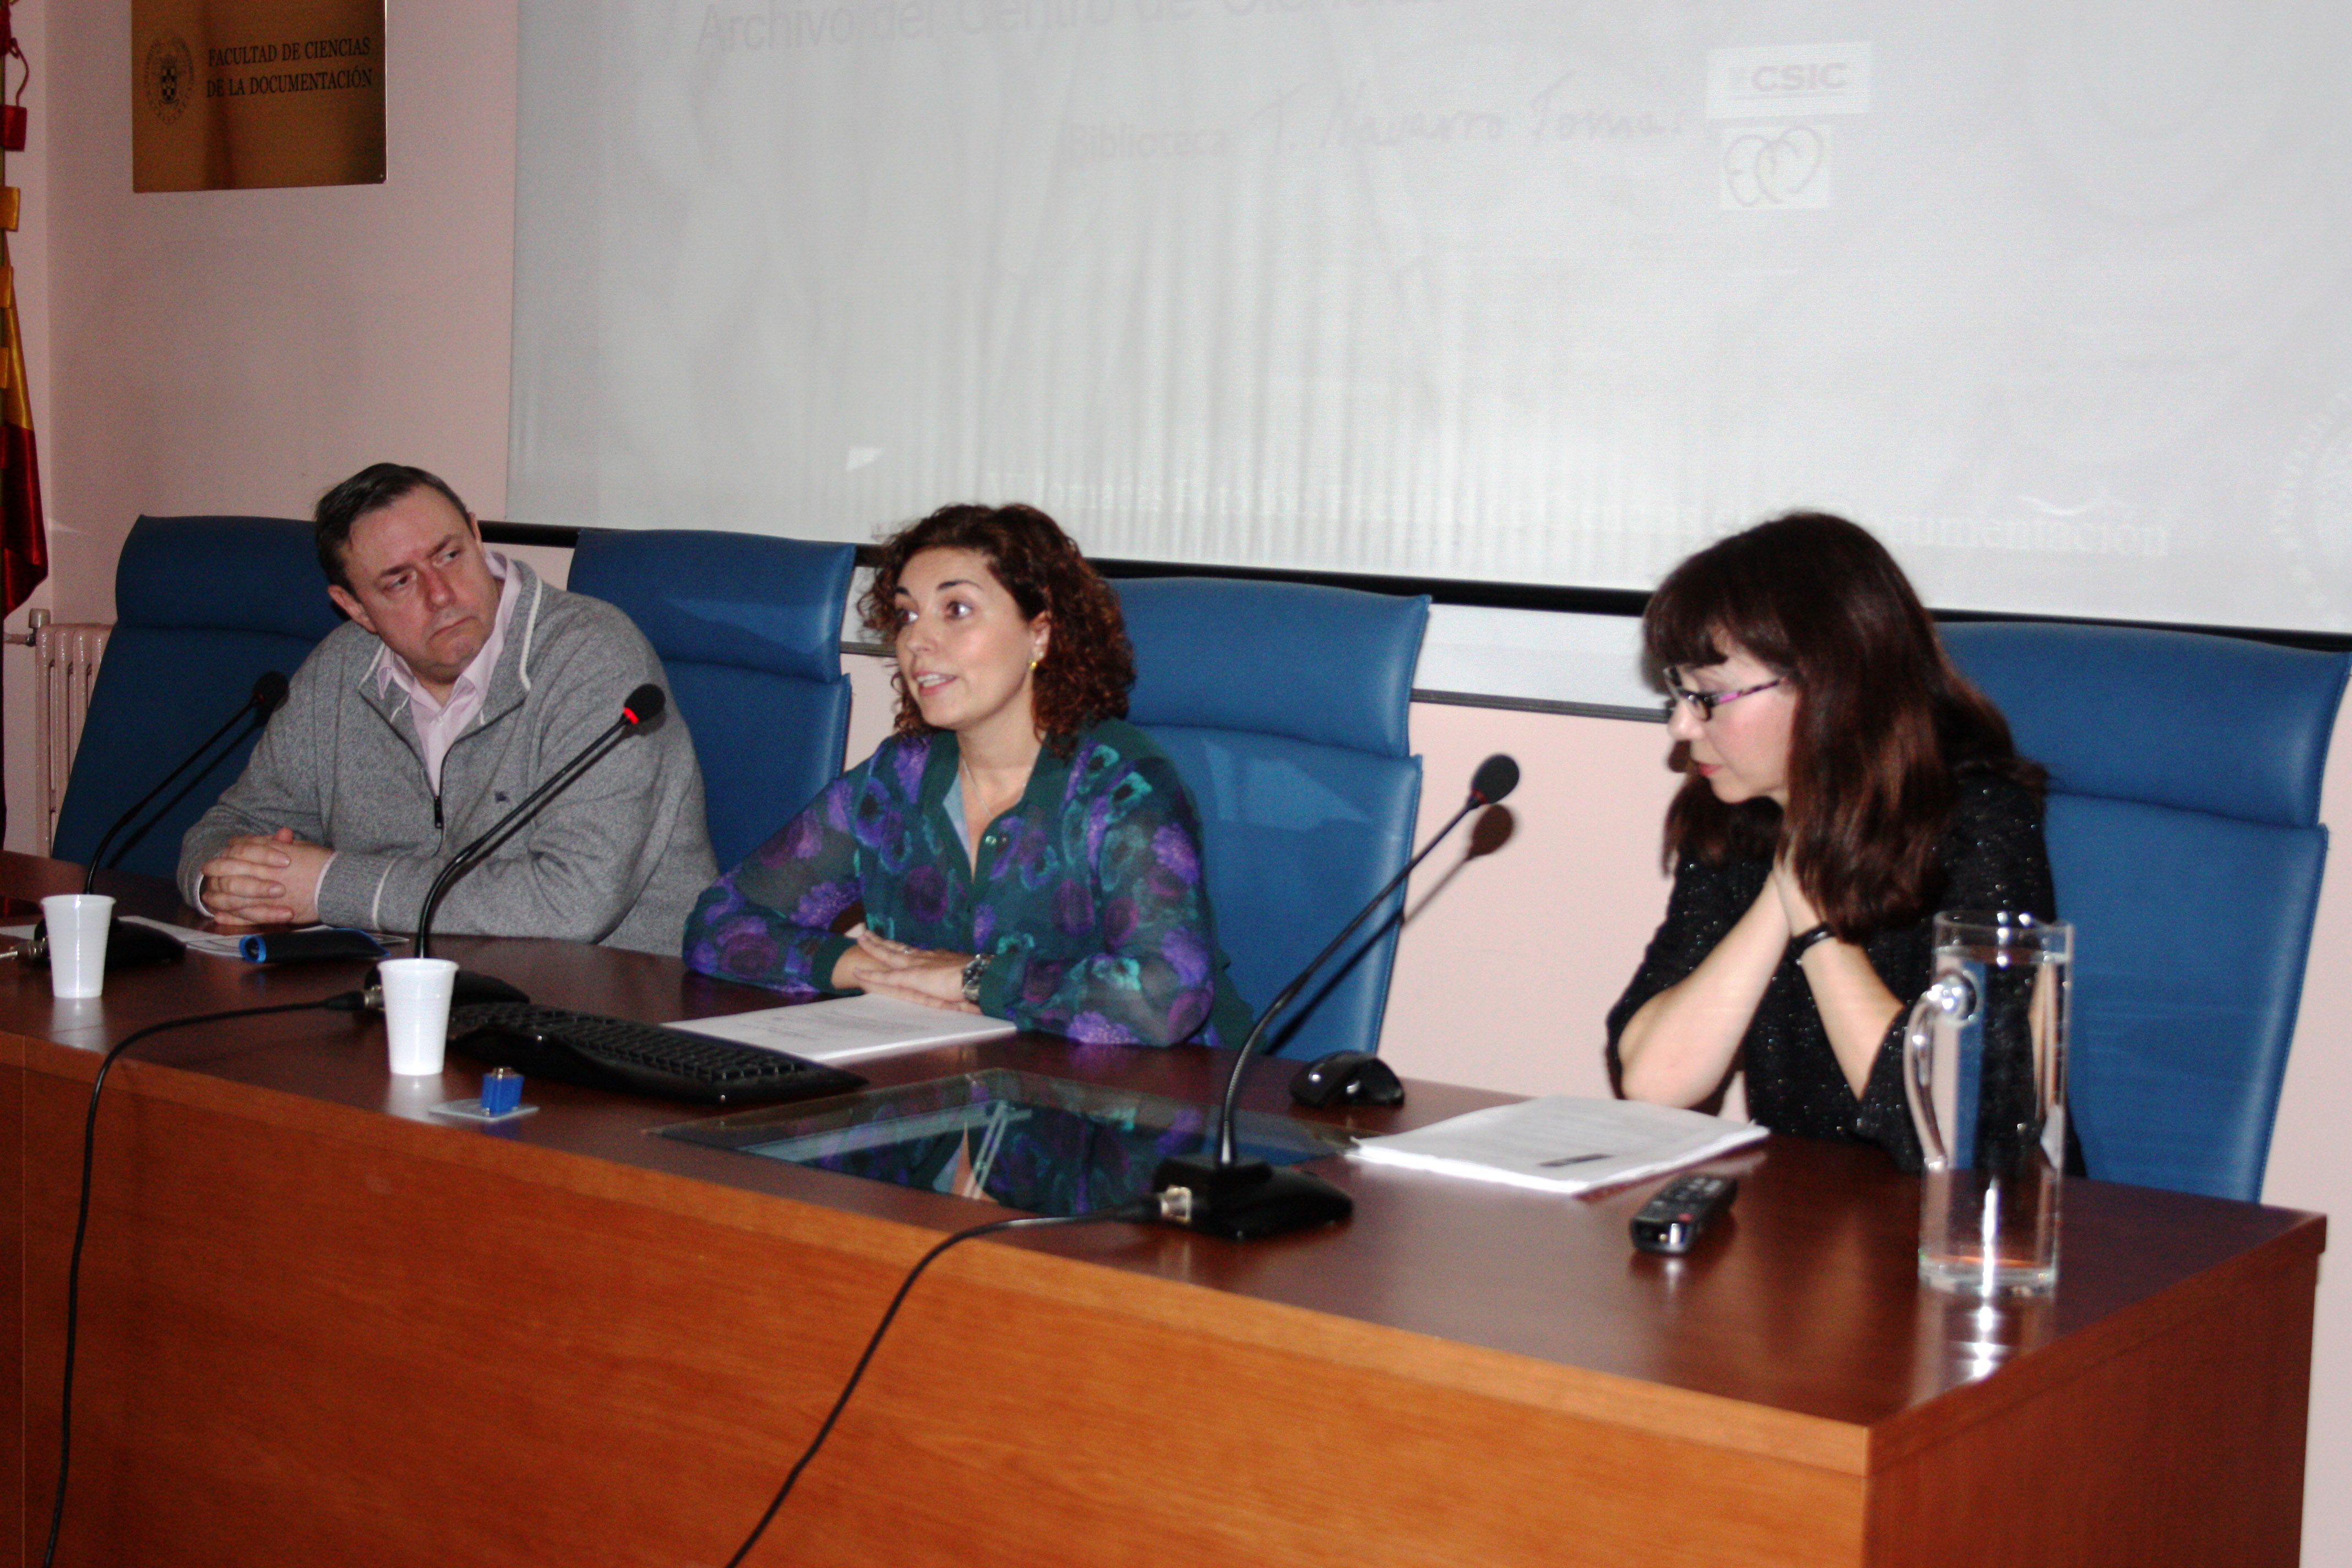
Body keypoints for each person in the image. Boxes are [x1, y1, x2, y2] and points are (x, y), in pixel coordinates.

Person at [684, 502, 1253, 1048]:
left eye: (956, 610)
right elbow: (717, 921)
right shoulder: (895, 779)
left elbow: (1165, 997)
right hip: (961, 1081)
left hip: (1150, 1098)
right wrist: (858, 967)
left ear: (1040, 633)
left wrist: (973, 979)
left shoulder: (1124, 785)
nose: (917, 640)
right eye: (907, 615)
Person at [1605, 513, 2055, 1170]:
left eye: (1710, 696)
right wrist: (1787, 875)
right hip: (1807, 1208)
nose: (1681, 725)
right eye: (1680, 692)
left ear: (1827, 687)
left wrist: (1816, 923)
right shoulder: (1737, 815)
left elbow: (1956, 1125)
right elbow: (1655, 1080)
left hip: (1963, 1218)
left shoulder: (1979, 822)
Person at [177, 462, 717, 954]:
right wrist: (228, 885)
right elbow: (231, 825)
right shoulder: (340, 670)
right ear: (354, 607)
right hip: (413, 991)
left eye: (449, 555)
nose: (440, 595)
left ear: (477, 536)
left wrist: (327, 887)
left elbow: (574, 901)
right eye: (400, 581)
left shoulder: (593, 656)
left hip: (616, 995)